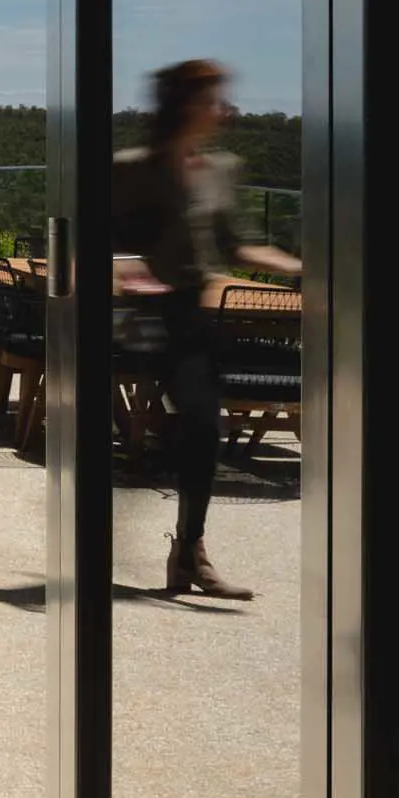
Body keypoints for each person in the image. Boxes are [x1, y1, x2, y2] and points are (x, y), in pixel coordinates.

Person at [113, 57, 299, 600]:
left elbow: (236, 245)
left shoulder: (220, 168)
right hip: (142, 315)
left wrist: (298, 267)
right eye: (212, 99)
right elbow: (105, 236)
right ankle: (178, 546)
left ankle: (188, 552)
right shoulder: (132, 167)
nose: (222, 110)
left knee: (201, 430)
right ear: (183, 105)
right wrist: (132, 269)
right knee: (188, 424)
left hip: (191, 314)